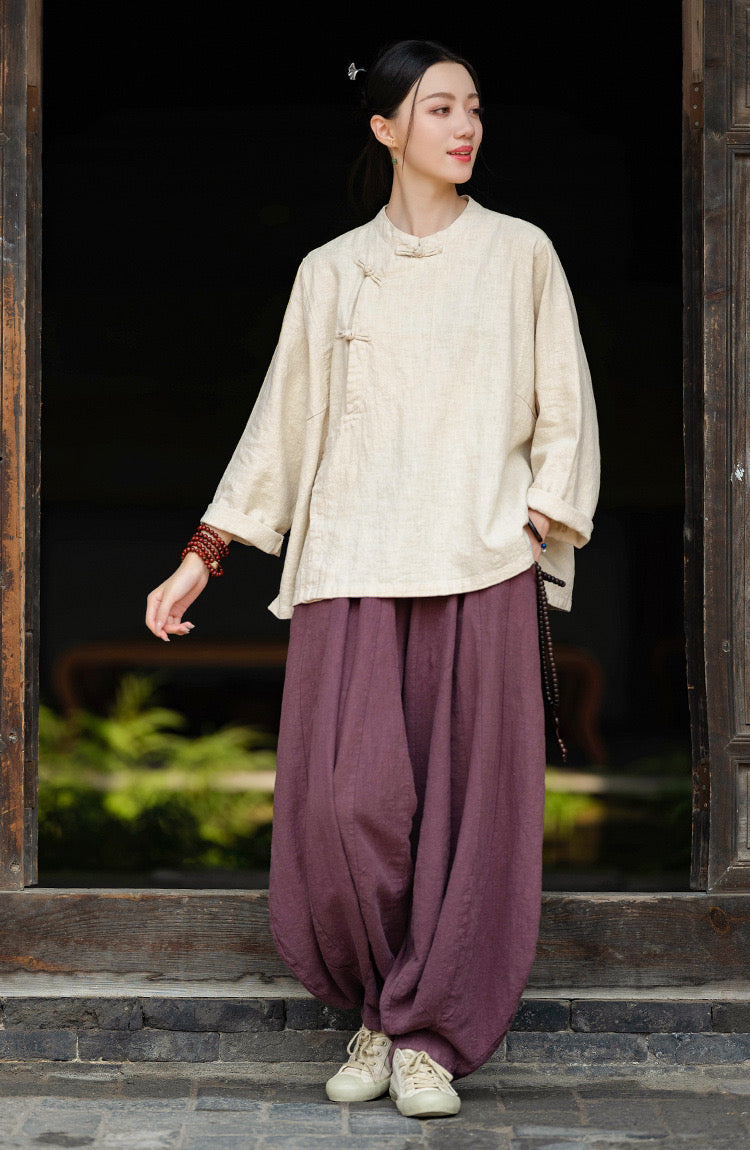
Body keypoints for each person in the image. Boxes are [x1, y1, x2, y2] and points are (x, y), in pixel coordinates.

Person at [146, 38, 599, 1120]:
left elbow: (565, 405)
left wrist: (535, 518)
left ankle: (425, 1038)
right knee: (352, 805)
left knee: (471, 821)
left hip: (479, 566)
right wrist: (204, 553)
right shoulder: (333, 270)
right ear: (385, 128)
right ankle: (379, 1009)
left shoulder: (521, 253)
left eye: (473, 106)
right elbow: (283, 423)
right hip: (351, 562)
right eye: (439, 108)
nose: (465, 126)